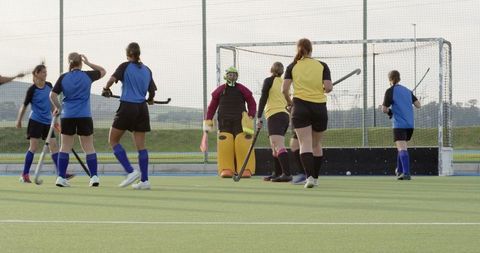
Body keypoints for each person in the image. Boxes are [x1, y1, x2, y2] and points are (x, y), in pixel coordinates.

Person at [102, 42, 156, 190]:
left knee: (113, 140)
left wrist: (106, 89)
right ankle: (144, 180)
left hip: (127, 107)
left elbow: (111, 80)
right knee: (141, 146)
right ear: (139, 54)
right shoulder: (147, 70)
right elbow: (152, 91)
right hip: (142, 109)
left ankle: (131, 171)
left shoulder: (125, 66)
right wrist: (150, 99)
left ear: (128, 54)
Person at [282, 38, 333, 188]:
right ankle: (315, 178)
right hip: (319, 107)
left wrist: (289, 103)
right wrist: (323, 89)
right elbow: (328, 87)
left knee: (305, 143)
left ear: (297, 49)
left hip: (300, 107)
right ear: (311, 49)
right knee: (316, 144)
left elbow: (284, 90)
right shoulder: (322, 65)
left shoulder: (292, 66)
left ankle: (309, 177)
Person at [50, 53, 106, 187]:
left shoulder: (63, 77)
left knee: (65, 147)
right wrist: (89, 63)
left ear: (69, 63)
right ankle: (94, 177)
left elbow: (52, 95)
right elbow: (103, 71)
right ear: (80, 62)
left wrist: (58, 107)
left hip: (68, 116)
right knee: (89, 147)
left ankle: (61, 178)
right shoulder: (87, 75)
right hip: (84, 115)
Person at [15, 65, 74, 183]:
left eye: (46, 72)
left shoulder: (49, 86)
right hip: (35, 121)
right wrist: (19, 120)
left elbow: (51, 104)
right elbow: (24, 106)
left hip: (48, 122)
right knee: (33, 147)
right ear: (36, 74)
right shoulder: (32, 89)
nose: (45, 74)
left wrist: (55, 120)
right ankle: (25, 174)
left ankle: (61, 174)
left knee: (54, 147)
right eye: (43, 72)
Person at [204, 66, 257, 178]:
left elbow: (252, 102)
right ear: (226, 76)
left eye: (234, 74)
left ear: (237, 76)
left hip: (240, 121)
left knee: (242, 142)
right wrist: (208, 119)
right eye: (230, 74)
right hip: (224, 121)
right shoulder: (220, 90)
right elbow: (212, 107)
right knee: (225, 142)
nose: (232, 76)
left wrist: (251, 115)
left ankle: (245, 169)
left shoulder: (242, 89)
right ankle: (226, 168)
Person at [381, 70, 421, 180]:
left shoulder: (390, 91)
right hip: (410, 125)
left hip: (399, 124)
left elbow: (384, 109)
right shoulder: (407, 91)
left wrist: (390, 112)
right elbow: (418, 105)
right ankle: (399, 171)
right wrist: (409, 98)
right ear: (399, 78)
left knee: (402, 148)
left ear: (389, 79)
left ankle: (406, 173)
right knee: (401, 147)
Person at [257, 62, 292, 182]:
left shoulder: (268, 81)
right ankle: (277, 173)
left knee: (278, 144)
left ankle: (286, 174)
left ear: (271, 70)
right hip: (284, 116)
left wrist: (258, 117)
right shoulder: (284, 83)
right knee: (274, 146)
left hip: (275, 114)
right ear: (282, 72)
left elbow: (263, 98)